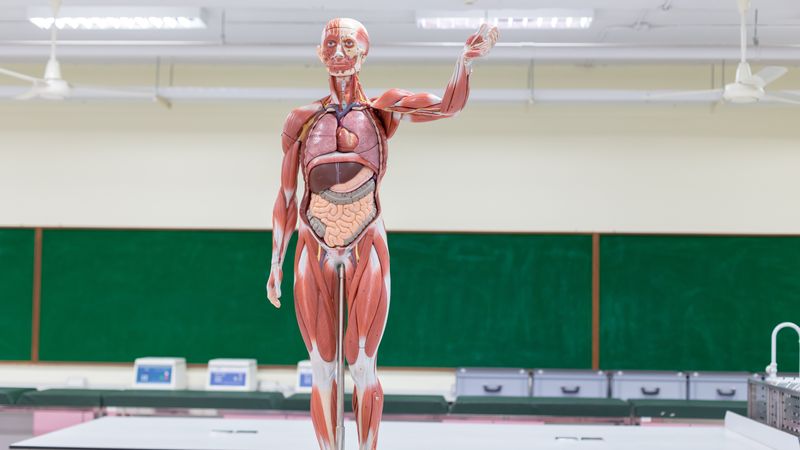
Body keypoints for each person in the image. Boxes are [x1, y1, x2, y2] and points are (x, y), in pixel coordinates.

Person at [266, 18, 497, 450]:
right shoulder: (300, 119)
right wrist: (275, 262)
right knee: (321, 368)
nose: (338, 51)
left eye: (348, 43)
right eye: (330, 43)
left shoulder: (382, 109)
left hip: (365, 235)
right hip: (313, 239)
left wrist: (463, 63)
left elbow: (447, 106)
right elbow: (285, 194)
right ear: (319, 53)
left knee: (363, 365)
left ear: (364, 52)